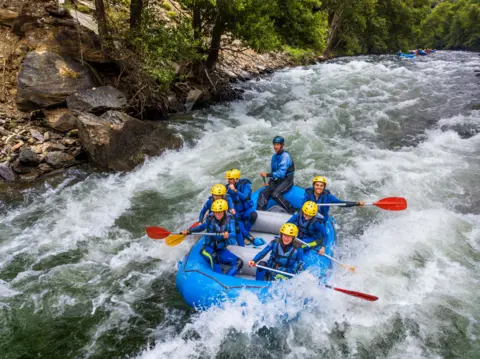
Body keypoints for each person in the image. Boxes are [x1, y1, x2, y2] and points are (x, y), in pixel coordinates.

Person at [184, 199, 243, 276]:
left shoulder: (230, 219)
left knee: (239, 262)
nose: (217, 214)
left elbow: (233, 233)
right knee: (214, 256)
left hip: (221, 250)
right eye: (215, 212)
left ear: (225, 211)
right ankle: (219, 276)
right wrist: (189, 231)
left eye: (219, 212)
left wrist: (228, 235)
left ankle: (226, 278)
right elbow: (202, 227)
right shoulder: (210, 218)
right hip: (207, 248)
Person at [258, 136, 296, 214]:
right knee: (263, 193)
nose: (275, 147)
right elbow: (274, 171)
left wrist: (267, 175)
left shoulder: (285, 156)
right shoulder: (274, 157)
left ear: (282, 145)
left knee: (275, 195)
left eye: (278, 145)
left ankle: (292, 211)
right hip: (278, 180)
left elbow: (281, 174)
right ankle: (260, 213)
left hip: (287, 180)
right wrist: (270, 182)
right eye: (274, 145)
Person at [225, 168, 258, 246]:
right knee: (237, 223)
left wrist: (235, 191)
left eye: (231, 179)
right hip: (236, 212)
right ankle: (246, 235)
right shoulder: (226, 188)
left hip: (246, 210)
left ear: (236, 179)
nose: (229, 181)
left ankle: (245, 234)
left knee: (253, 215)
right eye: (228, 179)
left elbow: (245, 197)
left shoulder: (246, 185)